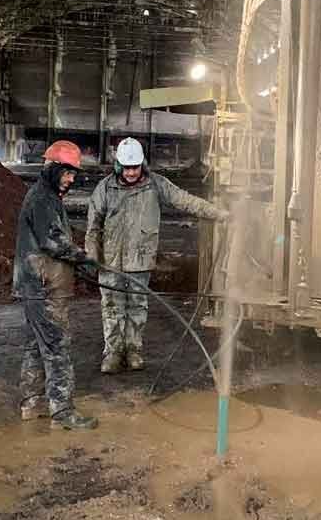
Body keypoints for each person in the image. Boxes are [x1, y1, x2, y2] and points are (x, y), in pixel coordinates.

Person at [86, 137, 228, 374]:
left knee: (137, 306)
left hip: (140, 260)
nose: (131, 172)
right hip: (110, 262)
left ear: (142, 164)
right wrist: (92, 257)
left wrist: (218, 213)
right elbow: (92, 227)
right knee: (111, 307)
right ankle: (113, 352)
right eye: (127, 167)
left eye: (135, 167)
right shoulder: (104, 188)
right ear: (119, 166)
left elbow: (184, 200)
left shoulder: (155, 185)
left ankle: (133, 350)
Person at [13, 140, 98, 430]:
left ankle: (31, 404)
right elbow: (53, 242)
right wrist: (83, 258)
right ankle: (63, 413)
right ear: (53, 169)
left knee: (36, 348)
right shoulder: (41, 200)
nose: (71, 179)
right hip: (43, 287)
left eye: (73, 174)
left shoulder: (46, 197)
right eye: (68, 173)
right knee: (57, 348)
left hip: (37, 286)